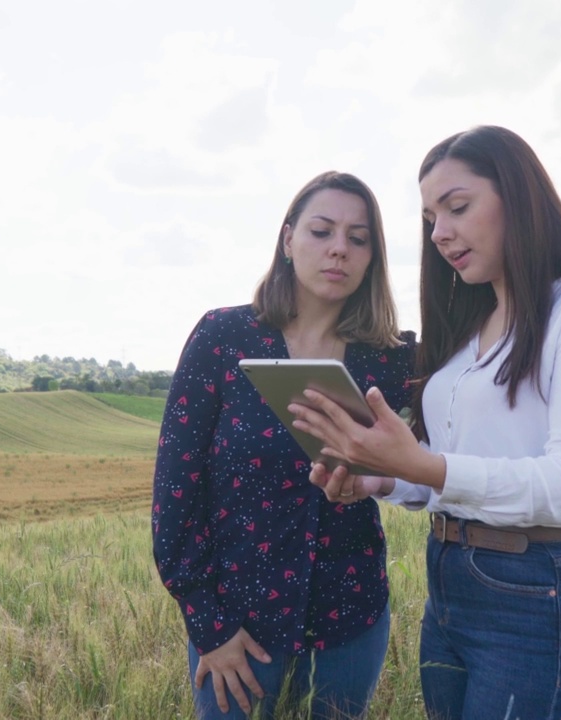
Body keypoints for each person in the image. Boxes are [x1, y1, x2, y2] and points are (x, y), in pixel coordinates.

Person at [290, 126, 561, 719]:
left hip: (538, 593)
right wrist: (383, 479)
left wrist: (422, 464)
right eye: (430, 218)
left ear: (518, 197)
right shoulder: (473, 328)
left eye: (457, 207)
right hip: (449, 586)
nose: (440, 233)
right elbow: (452, 466)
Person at [151, 171, 416, 719]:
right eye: (322, 231)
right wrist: (207, 623)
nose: (339, 248)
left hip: (351, 621)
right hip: (238, 630)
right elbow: (175, 490)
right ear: (288, 238)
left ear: (372, 258)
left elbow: (431, 456)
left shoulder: (388, 360)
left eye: (358, 238)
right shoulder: (223, 338)